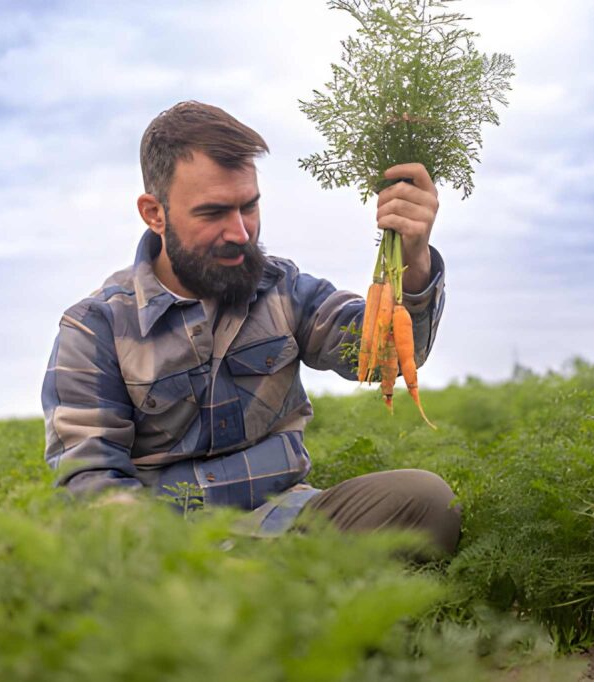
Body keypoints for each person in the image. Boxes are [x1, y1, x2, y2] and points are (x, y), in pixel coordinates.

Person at [40, 101, 459, 556]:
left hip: (292, 524)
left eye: (249, 207)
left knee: (428, 502)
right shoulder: (96, 328)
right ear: (154, 213)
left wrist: (415, 257)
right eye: (214, 212)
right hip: (175, 552)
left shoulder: (283, 289)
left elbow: (383, 358)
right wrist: (179, 564)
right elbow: (91, 483)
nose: (240, 232)